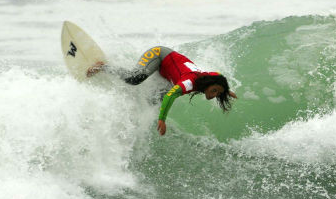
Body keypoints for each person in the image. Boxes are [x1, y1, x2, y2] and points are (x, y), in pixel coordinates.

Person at [87, 46, 237, 136]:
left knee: (153, 102)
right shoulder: (189, 83)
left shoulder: (209, 79)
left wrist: (225, 90)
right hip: (159, 55)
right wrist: (162, 119)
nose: (215, 95)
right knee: (135, 79)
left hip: (169, 70)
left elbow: (218, 74)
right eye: (215, 90)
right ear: (209, 84)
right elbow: (170, 96)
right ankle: (103, 66)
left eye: (217, 93)